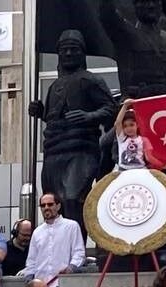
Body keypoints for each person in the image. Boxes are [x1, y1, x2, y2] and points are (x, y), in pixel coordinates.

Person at [28, 30, 116, 235]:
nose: (68, 54)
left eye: (73, 49)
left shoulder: (90, 80)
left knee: (72, 197)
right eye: (63, 50)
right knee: (54, 201)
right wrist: (41, 113)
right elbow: (54, 118)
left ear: (82, 54)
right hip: (54, 152)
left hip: (81, 150)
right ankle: (60, 250)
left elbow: (110, 108)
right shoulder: (54, 85)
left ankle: (78, 252)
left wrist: (89, 116)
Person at [21, 193, 85, 287]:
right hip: (40, 286)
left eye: (50, 204)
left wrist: (71, 268)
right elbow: (31, 260)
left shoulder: (71, 226)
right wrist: (29, 282)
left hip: (62, 284)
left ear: (58, 206)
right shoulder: (37, 232)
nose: (46, 207)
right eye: (43, 205)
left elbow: (79, 253)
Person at [114, 99, 151, 171]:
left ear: (137, 125)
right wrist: (125, 106)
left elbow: (149, 157)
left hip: (140, 169)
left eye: (131, 125)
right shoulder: (122, 138)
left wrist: (161, 165)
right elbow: (118, 122)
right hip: (123, 170)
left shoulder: (144, 140)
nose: (129, 128)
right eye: (125, 126)